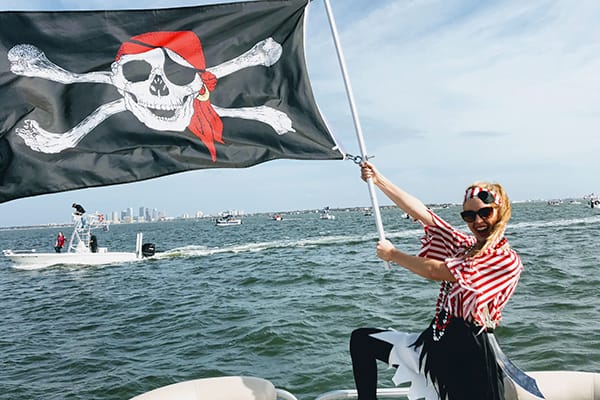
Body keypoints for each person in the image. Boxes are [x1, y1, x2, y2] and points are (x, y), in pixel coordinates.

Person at [350, 161, 523, 400]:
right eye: (469, 215)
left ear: (500, 212)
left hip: (469, 356)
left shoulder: (505, 260)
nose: (478, 221)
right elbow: (424, 215)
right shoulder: (465, 247)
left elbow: (436, 271)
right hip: (434, 342)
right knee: (362, 341)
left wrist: (393, 255)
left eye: (485, 212)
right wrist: (379, 180)